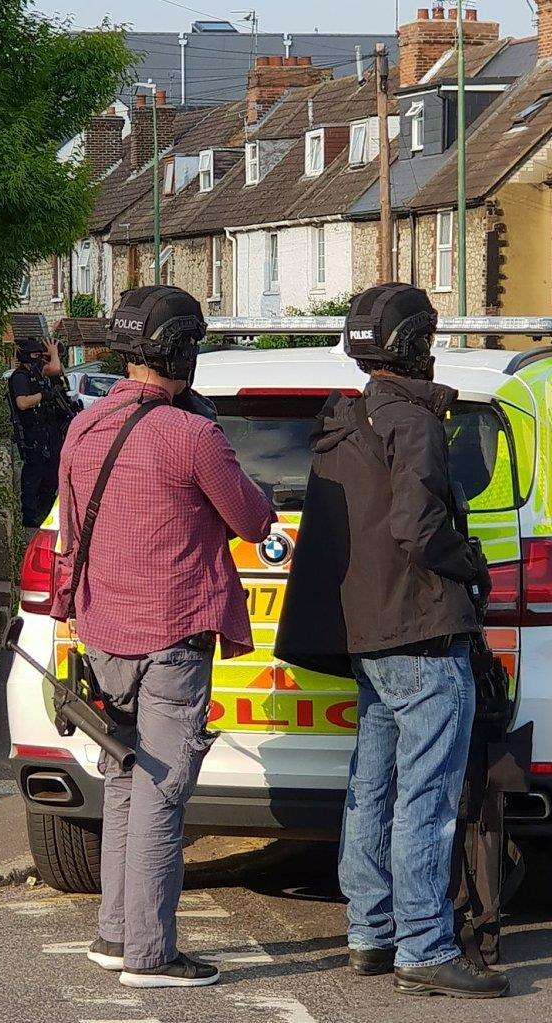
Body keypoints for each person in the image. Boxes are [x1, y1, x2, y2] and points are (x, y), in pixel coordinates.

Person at [275, 284, 507, 999]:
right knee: (426, 797)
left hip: (367, 634)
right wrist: (470, 563)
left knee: (370, 786)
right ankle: (424, 944)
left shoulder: (344, 422)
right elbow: (416, 530)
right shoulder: (414, 423)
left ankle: (370, 933)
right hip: (420, 630)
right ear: (414, 343)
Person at [55, 285, 275, 989]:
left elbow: (66, 531)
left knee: (124, 774)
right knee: (162, 787)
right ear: (183, 352)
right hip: (173, 634)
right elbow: (250, 521)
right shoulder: (193, 435)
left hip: (102, 629)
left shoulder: (82, 427)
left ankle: (116, 933)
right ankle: (150, 953)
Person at [7, 336, 78, 528]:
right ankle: (30, 519)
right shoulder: (21, 376)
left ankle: (44, 513)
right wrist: (42, 396)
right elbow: (22, 403)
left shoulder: (38, 372)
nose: (40, 358)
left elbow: (56, 370)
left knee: (51, 473)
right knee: (33, 474)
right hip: (32, 434)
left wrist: (53, 355)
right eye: (36, 355)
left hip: (47, 431)